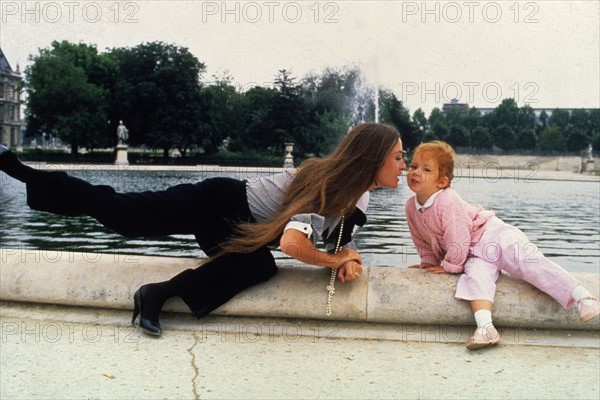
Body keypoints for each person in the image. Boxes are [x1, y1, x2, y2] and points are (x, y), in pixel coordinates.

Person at [0, 122, 407, 337]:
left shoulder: (361, 197)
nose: (403, 166)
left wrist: (349, 256)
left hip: (241, 228)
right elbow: (293, 243)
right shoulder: (327, 183)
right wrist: (334, 259)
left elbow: (341, 237)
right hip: (216, 202)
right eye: (397, 157)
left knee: (257, 268)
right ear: (371, 159)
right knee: (120, 216)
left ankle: (156, 295)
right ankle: (20, 171)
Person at [404, 141, 599, 350]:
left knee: (529, 262)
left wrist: (450, 265)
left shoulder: (447, 201)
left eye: (426, 169)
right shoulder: (411, 207)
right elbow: (421, 238)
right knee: (476, 280)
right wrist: (428, 261)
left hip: (493, 236)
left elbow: (458, 234)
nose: (415, 172)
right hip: (472, 254)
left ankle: (582, 297)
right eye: (413, 166)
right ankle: (486, 328)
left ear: (442, 182)